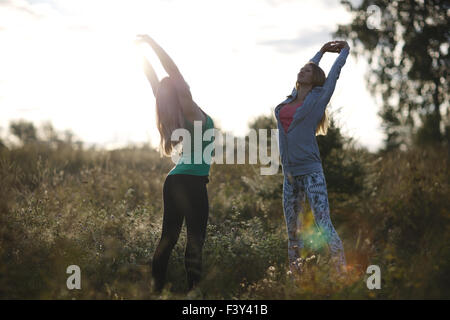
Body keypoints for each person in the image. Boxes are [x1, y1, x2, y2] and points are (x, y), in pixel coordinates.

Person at [136, 34, 214, 292]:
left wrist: (140, 56)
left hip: (174, 180)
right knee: (195, 241)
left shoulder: (179, 114)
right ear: (180, 92)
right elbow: (173, 71)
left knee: (168, 239)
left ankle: (156, 290)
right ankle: (194, 294)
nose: (184, 85)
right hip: (192, 182)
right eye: (180, 86)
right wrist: (152, 44)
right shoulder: (190, 110)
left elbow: (154, 82)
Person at [274, 40, 350, 276]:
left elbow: (334, 74)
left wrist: (343, 51)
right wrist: (320, 52)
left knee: (322, 223)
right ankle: (298, 279)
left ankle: (341, 273)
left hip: (311, 171)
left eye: (307, 70)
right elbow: (309, 69)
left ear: (315, 77)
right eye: (301, 69)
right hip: (289, 175)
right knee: (293, 231)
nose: (301, 70)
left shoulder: (318, 97)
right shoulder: (290, 99)